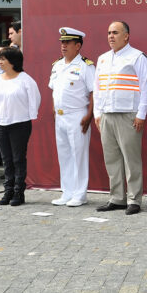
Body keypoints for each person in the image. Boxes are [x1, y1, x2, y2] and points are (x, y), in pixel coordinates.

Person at [94, 21, 147, 216]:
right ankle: (117, 198)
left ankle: (134, 199)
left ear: (126, 35)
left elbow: (146, 87)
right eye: (109, 33)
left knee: (131, 159)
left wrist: (141, 114)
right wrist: (97, 113)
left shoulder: (137, 57)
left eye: (115, 33)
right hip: (107, 115)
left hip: (128, 115)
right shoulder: (102, 59)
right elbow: (97, 89)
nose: (111, 36)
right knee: (111, 159)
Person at [49, 27, 95, 207]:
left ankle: (80, 194)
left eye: (67, 42)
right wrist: (54, 110)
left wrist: (89, 115)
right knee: (65, 155)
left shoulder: (85, 66)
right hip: (60, 116)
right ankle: (67, 192)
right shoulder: (57, 65)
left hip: (78, 115)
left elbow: (93, 92)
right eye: (62, 42)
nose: (63, 45)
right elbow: (54, 91)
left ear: (78, 45)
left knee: (79, 155)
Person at [0, 47, 40, 206]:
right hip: (1, 123)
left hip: (20, 123)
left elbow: (35, 99)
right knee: (6, 159)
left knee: (18, 158)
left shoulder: (25, 79)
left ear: (13, 61)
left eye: (3, 59)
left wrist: (31, 115)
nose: (0, 62)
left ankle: (19, 191)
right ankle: (8, 190)